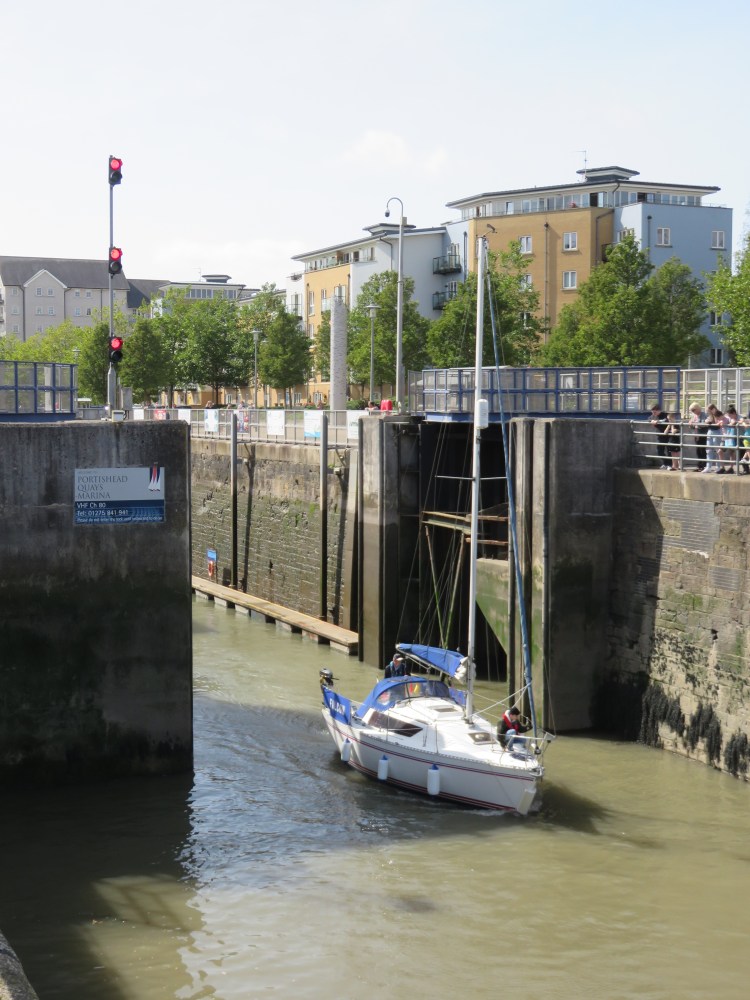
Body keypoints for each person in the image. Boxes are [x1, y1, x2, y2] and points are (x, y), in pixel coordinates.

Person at [688, 402, 707, 470]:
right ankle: (699, 465)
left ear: (698, 408)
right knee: (698, 450)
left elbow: (704, 424)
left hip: (703, 435)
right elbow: (693, 425)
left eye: (694, 410)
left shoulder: (704, 415)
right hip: (696, 435)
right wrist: (691, 424)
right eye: (692, 411)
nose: (693, 412)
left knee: (703, 450)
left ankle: (704, 465)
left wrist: (695, 423)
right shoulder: (694, 416)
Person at [649, 404, 669, 468]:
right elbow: (649, 419)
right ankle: (666, 463)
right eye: (652, 412)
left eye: (655, 412)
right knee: (660, 451)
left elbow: (666, 420)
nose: (653, 413)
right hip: (660, 435)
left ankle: (670, 464)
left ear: (659, 410)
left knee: (669, 450)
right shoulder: (653, 416)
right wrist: (651, 420)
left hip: (668, 435)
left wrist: (657, 421)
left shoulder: (665, 415)